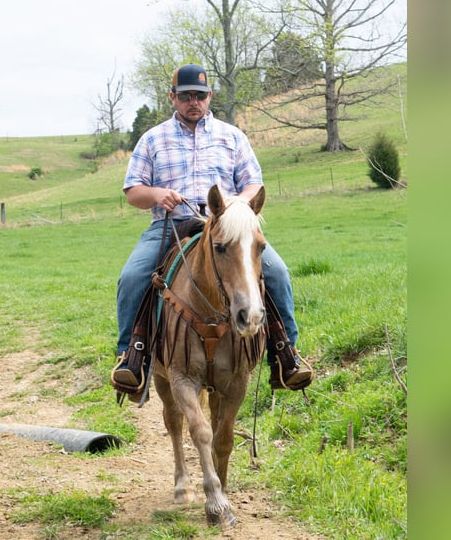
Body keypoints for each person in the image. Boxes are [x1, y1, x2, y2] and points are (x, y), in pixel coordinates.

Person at [112, 63, 312, 397]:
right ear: (173, 97)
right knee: (133, 277)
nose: (194, 102)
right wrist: (158, 194)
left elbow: (253, 183)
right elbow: (134, 191)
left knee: (277, 272)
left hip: (226, 228)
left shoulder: (232, 136)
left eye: (200, 96)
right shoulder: (153, 139)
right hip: (171, 226)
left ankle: (285, 353)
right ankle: (132, 356)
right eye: (187, 96)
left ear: (210, 96)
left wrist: (236, 207)